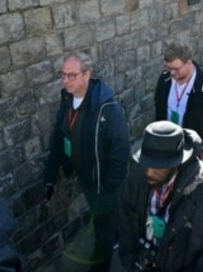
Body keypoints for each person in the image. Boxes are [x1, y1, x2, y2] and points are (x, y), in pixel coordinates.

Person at [44, 53, 129, 271]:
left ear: (87, 75)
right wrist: (50, 176)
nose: (65, 80)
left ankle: (102, 263)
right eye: (63, 75)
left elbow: (120, 153)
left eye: (71, 75)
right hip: (86, 178)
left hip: (103, 184)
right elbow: (58, 137)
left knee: (103, 227)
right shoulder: (67, 99)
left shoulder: (109, 109)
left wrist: (109, 188)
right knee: (103, 220)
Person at [119, 121, 203, 271]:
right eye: (146, 162)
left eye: (158, 165)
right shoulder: (137, 177)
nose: (149, 172)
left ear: (176, 163)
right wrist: (130, 261)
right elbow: (125, 219)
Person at [155, 41, 203, 168]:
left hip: (194, 149)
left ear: (189, 62)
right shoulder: (164, 79)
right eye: (168, 68)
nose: (171, 73)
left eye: (176, 69)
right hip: (170, 143)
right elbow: (159, 108)